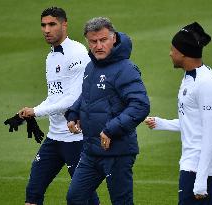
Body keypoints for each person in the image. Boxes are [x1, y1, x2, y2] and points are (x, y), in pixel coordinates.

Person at [18, 7, 99, 205]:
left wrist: (36, 111)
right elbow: (54, 97)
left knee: (84, 198)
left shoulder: (77, 53)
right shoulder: (51, 56)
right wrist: (33, 111)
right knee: (33, 192)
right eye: (43, 25)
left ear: (64, 25)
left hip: (76, 139)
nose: (46, 29)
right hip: (54, 139)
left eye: (52, 24)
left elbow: (73, 99)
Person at [65, 17, 150, 205]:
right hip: (91, 150)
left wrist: (111, 129)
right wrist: (73, 113)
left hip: (118, 152)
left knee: (121, 202)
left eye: (103, 40)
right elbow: (88, 97)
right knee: (75, 197)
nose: (98, 46)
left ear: (114, 38)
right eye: (93, 41)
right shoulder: (91, 66)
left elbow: (140, 105)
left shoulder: (125, 69)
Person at [145, 22, 212, 205]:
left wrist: (201, 180)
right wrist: (161, 123)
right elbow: (192, 122)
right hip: (192, 160)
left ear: (183, 52)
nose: (170, 53)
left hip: (199, 165)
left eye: (173, 49)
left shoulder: (205, 83)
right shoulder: (190, 77)